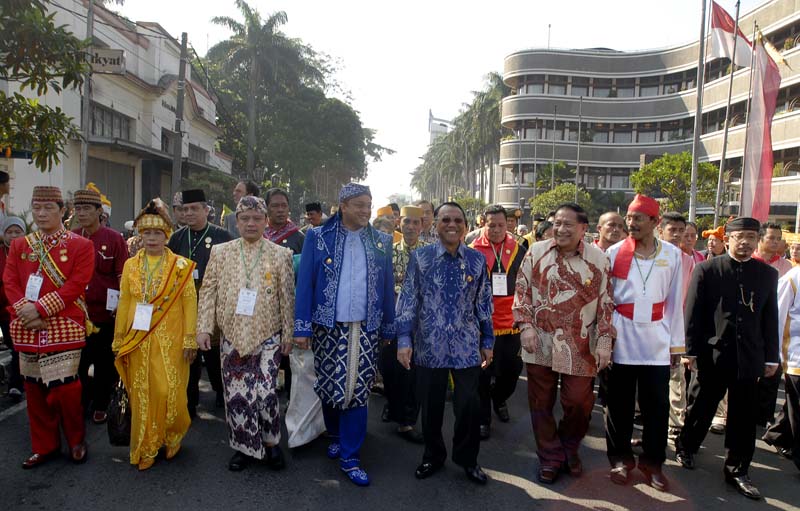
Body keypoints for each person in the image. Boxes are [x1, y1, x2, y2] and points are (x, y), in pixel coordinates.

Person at [293, 183, 395, 487]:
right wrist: (302, 326)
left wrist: (388, 325)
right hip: (328, 326)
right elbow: (306, 284)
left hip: (365, 328)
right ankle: (335, 434)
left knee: (356, 391)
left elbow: (387, 285)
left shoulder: (381, 242)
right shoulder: (317, 237)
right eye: (360, 205)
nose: (366, 211)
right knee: (328, 385)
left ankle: (350, 456)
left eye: (369, 204)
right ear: (344, 206)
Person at [675, 217, 780, 500]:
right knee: (702, 406)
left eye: (751, 236)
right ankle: (686, 446)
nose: (745, 242)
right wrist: (690, 351)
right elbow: (693, 313)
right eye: (739, 236)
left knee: (744, 416)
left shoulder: (767, 274)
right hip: (713, 354)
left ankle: (737, 469)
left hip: (749, 357)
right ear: (728, 238)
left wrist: (772, 357)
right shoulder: (707, 269)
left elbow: (771, 319)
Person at [513, 202, 615, 484]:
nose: (560, 229)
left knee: (579, 403)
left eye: (568, 224)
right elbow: (521, 291)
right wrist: (525, 326)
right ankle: (550, 456)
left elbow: (607, 303)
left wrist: (605, 340)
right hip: (540, 340)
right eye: (557, 223)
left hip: (580, 344)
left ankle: (569, 447)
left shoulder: (599, 259)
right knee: (540, 402)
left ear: (584, 228)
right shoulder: (536, 252)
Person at [395, 202, 494, 485]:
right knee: (432, 406)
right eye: (446, 220)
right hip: (429, 346)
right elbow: (409, 300)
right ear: (435, 224)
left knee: (468, 406)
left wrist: (488, 339)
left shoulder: (476, 260)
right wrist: (404, 340)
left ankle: (467, 459)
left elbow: (484, 302)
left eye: (458, 220)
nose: (452, 225)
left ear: (465, 225)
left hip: (466, 347)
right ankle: (433, 456)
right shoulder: (421, 258)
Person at [198, 196, 295, 471]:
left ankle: (271, 444)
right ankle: (243, 448)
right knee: (237, 395)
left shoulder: (280, 254)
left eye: (256, 218)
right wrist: (204, 328)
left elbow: (287, 298)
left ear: (265, 221)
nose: (251, 223)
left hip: (268, 334)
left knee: (265, 392)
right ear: (237, 222)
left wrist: (288, 334)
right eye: (245, 218)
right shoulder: (221, 252)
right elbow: (208, 291)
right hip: (232, 335)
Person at [3, 186, 94, 468]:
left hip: (63, 324)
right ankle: (45, 446)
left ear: (62, 211)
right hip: (27, 326)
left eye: (48, 208)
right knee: (34, 391)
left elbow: (76, 284)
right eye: (36, 208)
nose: (41, 214)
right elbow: (9, 281)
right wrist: (26, 311)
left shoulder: (80, 245)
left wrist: (41, 309)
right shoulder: (20, 245)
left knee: (66, 390)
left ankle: (76, 440)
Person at [605, 194, 685, 492]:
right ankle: (620, 459)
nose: (631, 223)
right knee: (619, 404)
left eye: (638, 218)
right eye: (629, 217)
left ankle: (653, 463)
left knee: (657, 406)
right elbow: (606, 300)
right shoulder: (614, 252)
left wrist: (676, 345)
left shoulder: (673, 255)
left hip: (656, 340)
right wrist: (605, 339)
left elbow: (676, 302)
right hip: (621, 336)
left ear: (655, 222)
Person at [113, 199, 197, 471]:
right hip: (138, 338)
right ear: (139, 235)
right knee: (141, 393)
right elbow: (125, 301)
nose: (151, 238)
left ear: (167, 236)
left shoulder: (181, 267)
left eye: (157, 233)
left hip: (170, 339)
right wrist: (119, 337)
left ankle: (172, 434)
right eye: (146, 233)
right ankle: (146, 445)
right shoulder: (130, 266)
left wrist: (189, 338)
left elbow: (189, 304)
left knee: (169, 391)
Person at [167, 189, 232, 416]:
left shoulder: (223, 236)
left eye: (195, 208)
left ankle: (221, 392)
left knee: (214, 353)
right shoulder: (176, 238)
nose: (189, 213)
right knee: (188, 352)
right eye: (185, 209)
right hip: (184, 303)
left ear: (206, 210)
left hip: (213, 301)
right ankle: (190, 401)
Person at [469, 205, 525, 440]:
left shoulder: (519, 249)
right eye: (492, 225)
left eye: (501, 225)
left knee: (512, 371)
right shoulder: (472, 250)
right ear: (483, 223)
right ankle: (483, 419)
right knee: (483, 374)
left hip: (511, 322)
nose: (496, 229)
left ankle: (499, 398)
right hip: (483, 324)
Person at [72, 188, 129, 424]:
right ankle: (82, 400)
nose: (82, 213)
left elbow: (122, 276)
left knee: (104, 363)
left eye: (87, 208)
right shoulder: (72, 237)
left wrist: (121, 307)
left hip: (105, 314)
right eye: (78, 209)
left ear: (99, 211)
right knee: (78, 362)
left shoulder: (114, 238)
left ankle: (102, 403)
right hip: (76, 314)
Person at [381, 205, 426, 443]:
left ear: (422, 226)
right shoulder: (387, 250)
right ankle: (392, 403)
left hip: (418, 323)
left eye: (415, 223)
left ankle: (407, 421)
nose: (410, 227)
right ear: (400, 224)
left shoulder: (430, 253)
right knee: (389, 368)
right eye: (406, 222)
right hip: (390, 318)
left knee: (412, 373)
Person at [657, 212, 693, 440]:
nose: (678, 235)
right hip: (649, 328)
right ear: (660, 230)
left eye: (682, 231)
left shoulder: (687, 260)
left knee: (676, 376)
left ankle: (676, 425)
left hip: (675, 328)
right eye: (673, 230)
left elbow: (687, 298)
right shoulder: (647, 254)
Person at [762, 264, 800, 471]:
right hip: (796, 354)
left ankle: (778, 434)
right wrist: (771, 356)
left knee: (794, 404)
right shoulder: (793, 278)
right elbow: (775, 317)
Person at [752, 222, 789, 429]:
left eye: (778, 238)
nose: (775, 242)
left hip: (775, 326)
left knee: (772, 372)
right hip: (752, 325)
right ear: (761, 238)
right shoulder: (750, 262)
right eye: (771, 238)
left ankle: (764, 415)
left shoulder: (786, 266)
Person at [0, 216, 27, 401]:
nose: (13, 236)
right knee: (10, 345)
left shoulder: (29, 253)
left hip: (21, 309)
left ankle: (16, 385)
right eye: (9, 232)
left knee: (17, 347)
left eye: (17, 232)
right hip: (1, 309)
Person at [264, 188, 304, 255]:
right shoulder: (259, 236)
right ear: (266, 208)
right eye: (275, 206)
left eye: (284, 206)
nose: (280, 210)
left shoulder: (299, 238)